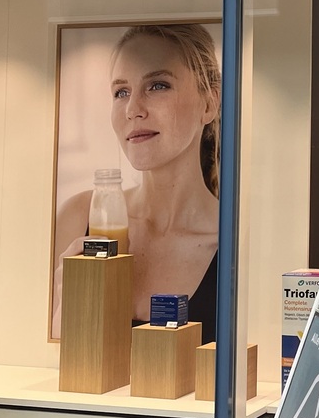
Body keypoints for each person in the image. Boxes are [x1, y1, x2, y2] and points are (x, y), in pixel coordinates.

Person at [52, 23, 221, 341]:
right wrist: (64, 308)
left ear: (209, 104)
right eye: (121, 92)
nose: (132, 110)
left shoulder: (234, 242)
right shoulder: (79, 217)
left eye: (158, 85)